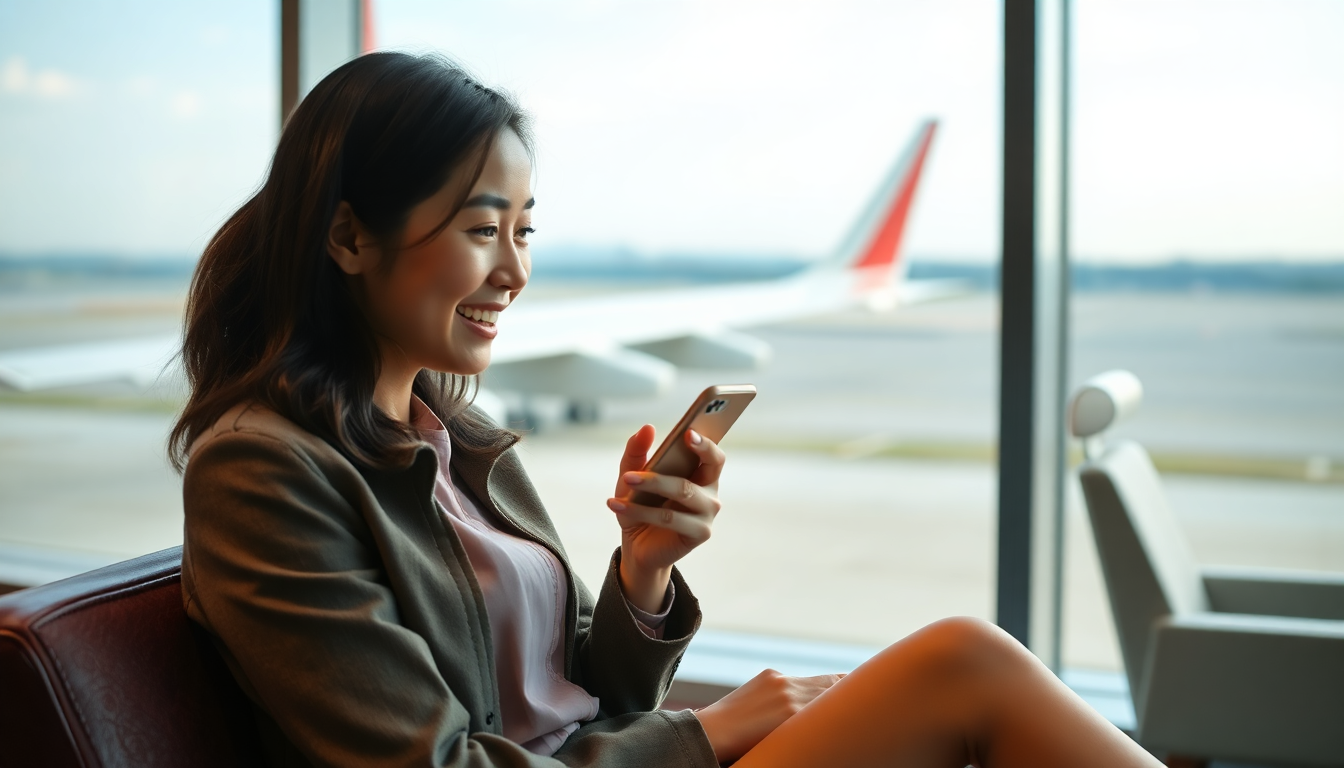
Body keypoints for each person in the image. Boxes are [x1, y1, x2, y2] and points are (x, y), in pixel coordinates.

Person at [172, 52, 1161, 768]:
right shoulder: (262, 470)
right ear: (350, 237)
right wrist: (708, 731)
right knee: (965, 665)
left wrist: (641, 575)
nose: (514, 271)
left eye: (525, 232)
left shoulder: (453, 437)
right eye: (482, 230)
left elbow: (582, 702)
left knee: (960, 672)